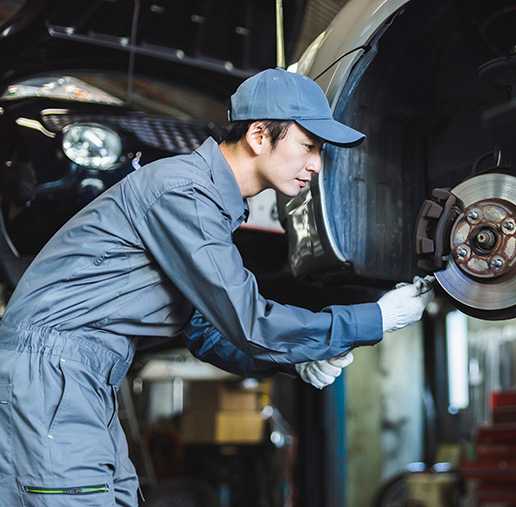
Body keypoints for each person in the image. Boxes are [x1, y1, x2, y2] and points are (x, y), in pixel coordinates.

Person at [0, 68, 434, 506]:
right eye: (309, 146)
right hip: (51, 374)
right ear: (260, 135)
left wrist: (293, 364)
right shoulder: (184, 192)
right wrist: (378, 317)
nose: (317, 164)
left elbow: (206, 332)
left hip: (80, 378)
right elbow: (250, 322)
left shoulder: (209, 205)